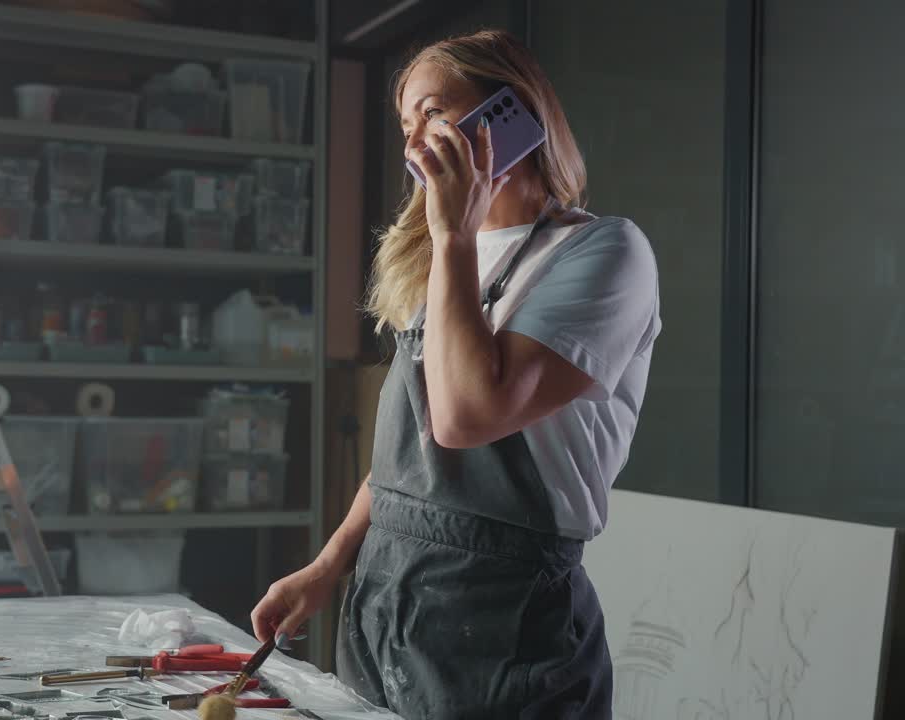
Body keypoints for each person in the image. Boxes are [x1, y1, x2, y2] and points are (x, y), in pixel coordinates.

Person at [250, 29, 661, 719]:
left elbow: (467, 415)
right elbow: (406, 461)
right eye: (407, 124)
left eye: (436, 114)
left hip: (506, 625)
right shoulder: (440, 263)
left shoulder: (604, 253)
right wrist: (329, 565)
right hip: (390, 600)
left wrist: (454, 237)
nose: (415, 142)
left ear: (512, 112)